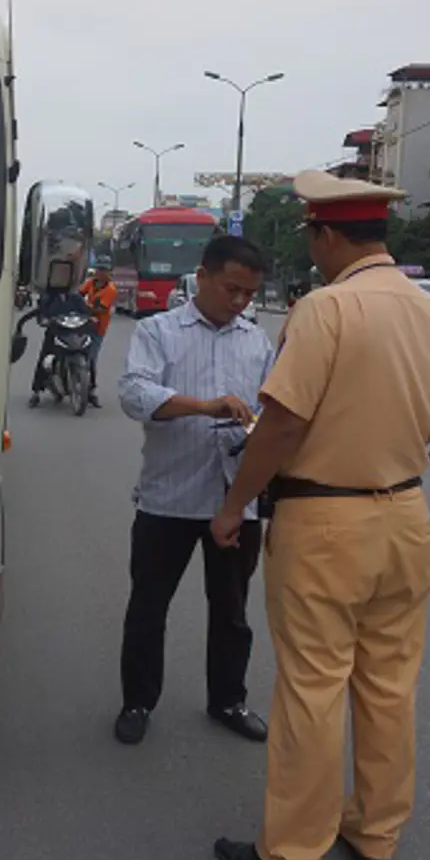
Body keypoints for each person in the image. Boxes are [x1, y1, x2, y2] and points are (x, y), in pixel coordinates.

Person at [204, 170, 430, 860]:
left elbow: (281, 422)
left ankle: (291, 852)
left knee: (312, 688)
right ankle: (374, 833)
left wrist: (232, 508)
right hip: (406, 516)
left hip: (324, 522)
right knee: (388, 684)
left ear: (323, 233)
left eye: (311, 237)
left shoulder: (327, 309)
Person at [114, 234, 274, 747]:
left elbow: (273, 409)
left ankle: (228, 699)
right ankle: (137, 700)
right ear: (201, 278)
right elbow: (135, 394)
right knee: (148, 608)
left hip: (236, 500)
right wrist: (204, 407)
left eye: (250, 294)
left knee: (231, 611)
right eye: (232, 289)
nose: (240, 302)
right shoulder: (158, 331)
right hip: (169, 499)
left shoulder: (257, 340)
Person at [27, 285, 96, 408]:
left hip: (75, 333)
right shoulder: (49, 297)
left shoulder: (76, 298)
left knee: (89, 359)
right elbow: (42, 312)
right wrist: (44, 319)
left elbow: (86, 311)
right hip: (56, 333)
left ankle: (91, 390)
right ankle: (35, 392)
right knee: (44, 357)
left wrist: (91, 317)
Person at [79, 260, 119, 407]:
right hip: (84, 324)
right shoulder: (90, 283)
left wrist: (84, 306)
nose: (101, 273)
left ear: (110, 273)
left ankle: (91, 390)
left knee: (91, 358)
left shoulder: (110, 289)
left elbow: (101, 309)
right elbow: (79, 294)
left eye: (104, 271)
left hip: (98, 328)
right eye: (99, 270)